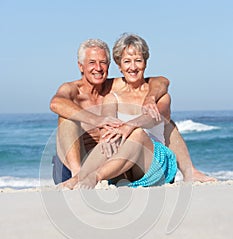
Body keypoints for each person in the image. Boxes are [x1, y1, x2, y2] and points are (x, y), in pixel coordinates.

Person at [50, 37, 215, 185]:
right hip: (90, 160)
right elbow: (56, 103)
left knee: (159, 126)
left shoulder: (122, 87)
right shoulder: (82, 90)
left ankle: (190, 171)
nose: (98, 68)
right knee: (69, 119)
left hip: (135, 159)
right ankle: (79, 174)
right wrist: (98, 121)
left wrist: (149, 100)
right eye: (92, 62)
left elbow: (162, 81)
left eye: (103, 62)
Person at [61, 34, 177, 189]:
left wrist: (130, 124)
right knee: (111, 134)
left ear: (145, 63)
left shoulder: (158, 92)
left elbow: (155, 115)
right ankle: (79, 177)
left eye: (138, 60)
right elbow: (56, 103)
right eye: (127, 61)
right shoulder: (113, 93)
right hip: (124, 168)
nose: (133, 67)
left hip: (154, 163)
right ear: (119, 65)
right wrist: (105, 127)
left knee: (137, 133)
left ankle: (95, 177)